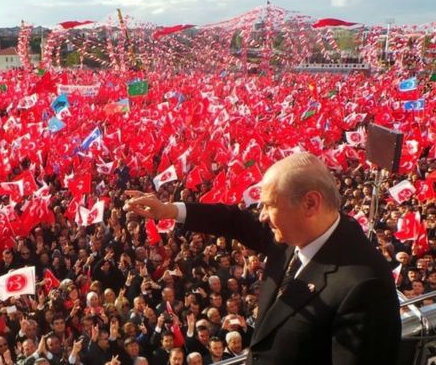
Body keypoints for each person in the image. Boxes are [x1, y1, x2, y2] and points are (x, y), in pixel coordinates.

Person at [124, 152, 401, 365]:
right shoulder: (293, 234)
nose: (263, 216)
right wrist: (169, 210)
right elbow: (234, 221)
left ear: (310, 204)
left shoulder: (365, 285)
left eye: (269, 205)